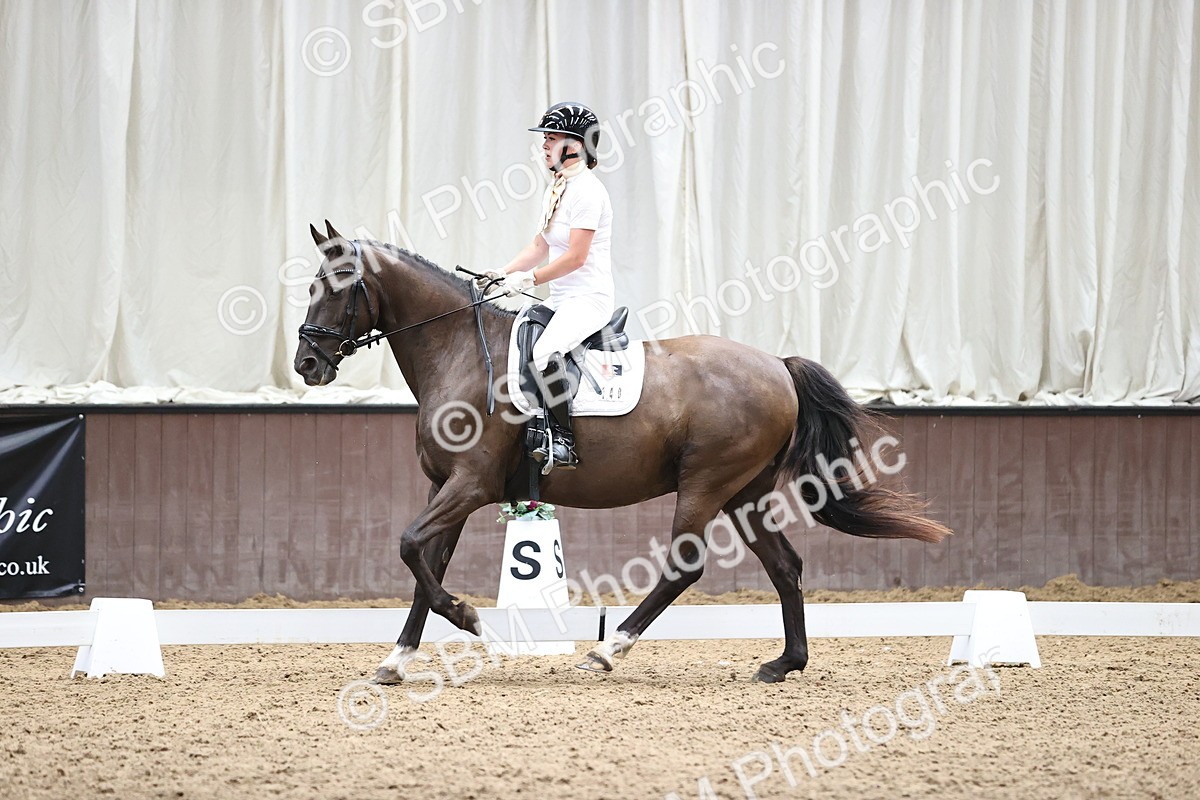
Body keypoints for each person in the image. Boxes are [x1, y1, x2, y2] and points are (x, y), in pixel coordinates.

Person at [482, 101, 614, 470]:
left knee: (544, 352)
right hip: (562, 298)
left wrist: (530, 279)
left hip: (588, 299)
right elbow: (540, 247)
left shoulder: (588, 191)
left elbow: (575, 258)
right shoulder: (558, 189)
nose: (543, 146)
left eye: (550, 139)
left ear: (575, 145)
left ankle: (563, 440)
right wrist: (501, 273)